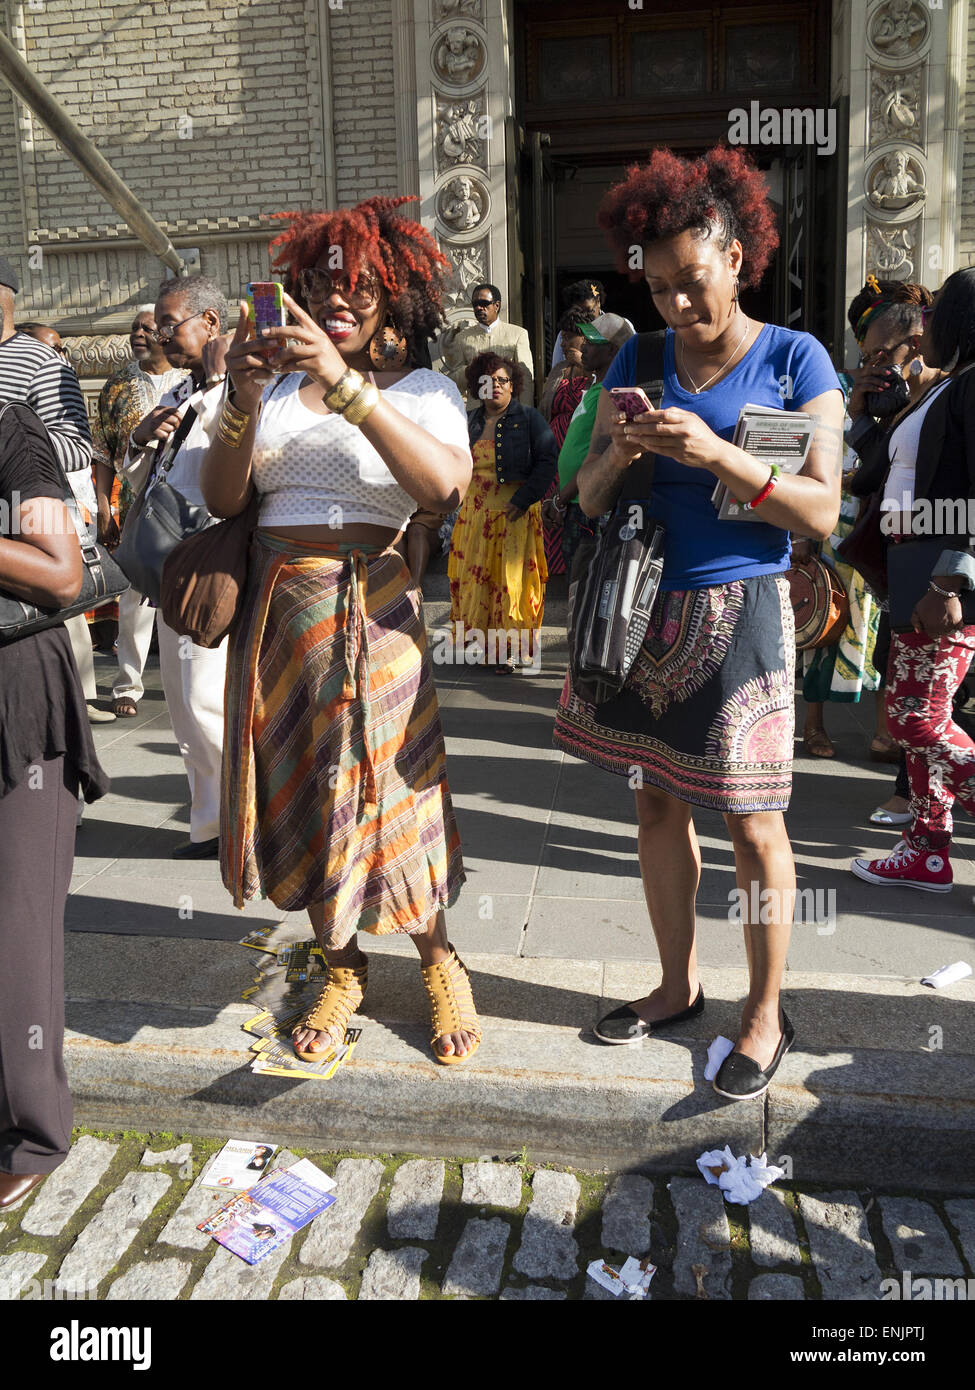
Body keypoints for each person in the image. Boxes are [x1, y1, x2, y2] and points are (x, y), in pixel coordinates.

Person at [552, 146, 844, 1100]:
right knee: (653, 802)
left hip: (743, 610)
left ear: (734, 252)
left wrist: (717, 451)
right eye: (659, 286)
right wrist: (620, 450)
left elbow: (819, 512)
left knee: (755, 826)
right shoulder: (632, 356)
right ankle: (677, 986)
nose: (676, 305)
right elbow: (587, 499)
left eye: (693, 282)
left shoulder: (796, 358)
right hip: (641, 614)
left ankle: (764, 1010)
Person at [201, 195, 479, 1066]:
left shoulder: (425, 391)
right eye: (322, 286)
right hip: (284, 623)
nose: (340, 300)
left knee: (395, 786)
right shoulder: (272, 390)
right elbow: (221, 498)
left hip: (379, 613)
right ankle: (342, 963)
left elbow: (442, 491)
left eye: (360, 286)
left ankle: (440, 960)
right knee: (314, 787)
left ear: (393, 297)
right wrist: (243, 400)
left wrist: (349, 384)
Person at [0, 403, 109, 1208]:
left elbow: (61, 573)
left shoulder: (11, 432)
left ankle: (31, 1137)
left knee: (15, 932)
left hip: (11, 702)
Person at [850, 268, 975, 892]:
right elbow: (871, 474)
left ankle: (930, 840)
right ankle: (927, 849)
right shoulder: (932, 395)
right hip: (910, 574)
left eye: (934, 319)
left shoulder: (971, 387)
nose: (924, 332)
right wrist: (860, 414)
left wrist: (952, 582)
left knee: (918, 719)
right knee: (911, 725)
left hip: (940, 583)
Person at [126, 276, 232, 858]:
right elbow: (143, 480)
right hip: (169, 566)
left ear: (209, 323)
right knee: (182, 703)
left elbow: (244, 453)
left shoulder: (242, 380)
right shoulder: (179, 391)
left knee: (205, 699)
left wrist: (219, 385)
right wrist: (143, 438)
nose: (162, 333)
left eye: (171, 323)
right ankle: (210, 825)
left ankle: (240, 825)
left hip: (210, 566)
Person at [0, 261, 108, 724]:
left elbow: (77, 444)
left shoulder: (39, 361)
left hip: (27, 521)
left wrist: (12, 456)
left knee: (37, 623)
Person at [92, 305, 187, 716]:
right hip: (135, 507)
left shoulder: (189, 381)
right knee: (132, 599)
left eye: (147, 328)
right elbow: (102, 451)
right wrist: (102, 506)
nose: (138, 334)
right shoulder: (116, 386)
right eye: (133, 328)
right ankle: (127, 684)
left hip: (186, 510)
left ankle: (180, 682)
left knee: (178, 596)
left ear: (166, 334)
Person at [448, 351, 556, 674]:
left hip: (515, 517)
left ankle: (509, 650)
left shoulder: (530, 419)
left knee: (512, 586)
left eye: (502, 380)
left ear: (513, 385)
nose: (495, 386)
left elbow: (548, 461)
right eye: (487, 381)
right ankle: (485, 648)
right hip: (475, 519)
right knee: (477, 584)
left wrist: (523, 499)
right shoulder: (468, 421)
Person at [542, 313, 635, 570]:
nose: (584, 346)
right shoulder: (596, 389)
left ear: (612, 351)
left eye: (593, 343)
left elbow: (597, 456)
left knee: (587, 587)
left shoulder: (615, 395)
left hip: (591, 508)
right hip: (575, 504)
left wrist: (560, 499)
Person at [538, 308, 596, 577]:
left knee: (570, 506)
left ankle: (571, 573)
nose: (563, 343)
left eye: (569, 337)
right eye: (561, 338)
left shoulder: (596, 370)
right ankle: (553, 570)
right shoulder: (559, 370)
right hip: (553, 447)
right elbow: (544, 407)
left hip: (579, 446)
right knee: (551, 505)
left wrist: (583, 365)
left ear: (584, 338)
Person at [443, 283, 535, 405]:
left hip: (508, 411)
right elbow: (454, 382)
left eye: (484, 303)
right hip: (475, 412)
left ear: (496, 305)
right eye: (475, 304)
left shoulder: (517, 334)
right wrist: (469, 370)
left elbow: (526, 380)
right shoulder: (462, 338)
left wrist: (525, 412)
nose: (479, 308)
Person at [550, 278, 635, 367]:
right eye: (578, 311)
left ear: (598, 302)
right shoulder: (565, 334)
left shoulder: (620, 326)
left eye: (589, 310)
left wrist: (582, 362)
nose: (584, 315)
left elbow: (631, 359)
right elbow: (557, 368)